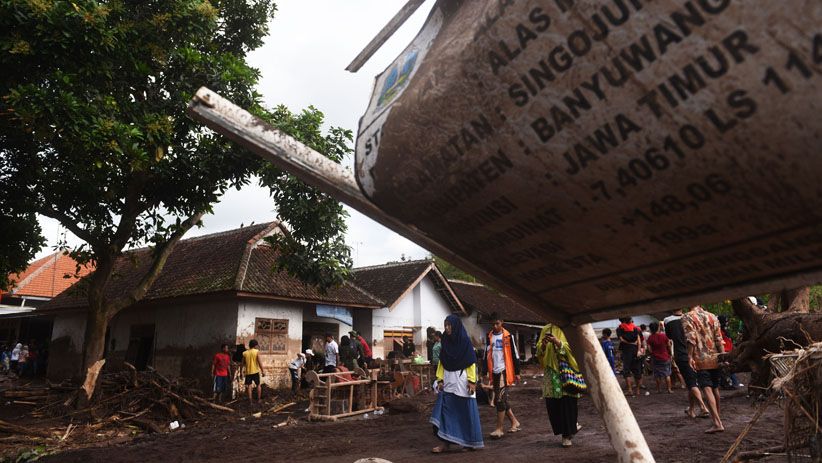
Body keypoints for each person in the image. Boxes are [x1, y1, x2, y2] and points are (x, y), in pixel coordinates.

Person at [430, 314, 484, 452]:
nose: (447, 328)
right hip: (448, 380)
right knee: (446, 411)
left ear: (456, 326)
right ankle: (445, 443)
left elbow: (471, 362)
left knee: (465, 412)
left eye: (449, 325)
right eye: (445, 325)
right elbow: (442, 362)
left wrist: (472, 382)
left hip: (463, 381)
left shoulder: (465, 342)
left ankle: (469, 442)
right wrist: (440, 379)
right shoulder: (445, 342)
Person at [537, 323, 582, 448]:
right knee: (553, 404)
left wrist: (558, 342)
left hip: (567, 370)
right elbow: (538, 351)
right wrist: (544, 345)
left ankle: (567, 435)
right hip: (551, 372)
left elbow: (576, 348)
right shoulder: (545, 329)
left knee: (568, 402)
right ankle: (569, 427)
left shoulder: (570, 328)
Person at [683, 305, 725, 434]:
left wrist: (689, 356)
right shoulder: (712, 316)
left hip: (700, 357)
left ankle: (717, 422)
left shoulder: (688, 317)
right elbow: (719, 338)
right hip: (715, 356)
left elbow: (691, 338)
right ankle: (717, 418)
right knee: (715, 387)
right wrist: (723, 355)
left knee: (707, 388)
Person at [665, 309, 709, 417]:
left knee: (691, 383)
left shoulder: (668, 320)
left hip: (682, 355)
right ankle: (692, 409)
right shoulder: (690, 318)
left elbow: (669, 336)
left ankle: (703, 407)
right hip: (697, 353)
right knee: (691, 381)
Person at [485, 314, 521, 438]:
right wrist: (485, 371)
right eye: (493, 324)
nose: (495, 326)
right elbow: (487, 354)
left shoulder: (508, 336)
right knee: (502, 399)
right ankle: (514, 422)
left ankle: (499, 428)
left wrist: (517, 372)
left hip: (504, 371)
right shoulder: (489, 336)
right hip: (494, 371)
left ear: (502, 322)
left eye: (497, 323)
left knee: (499, 400)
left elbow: (515, 354)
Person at [616, 317, 643, 396]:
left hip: (626, 350)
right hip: (635, 350)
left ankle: (630, 390)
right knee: (637, 370)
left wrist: (629, 343)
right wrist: (638, 350)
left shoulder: (620, 328)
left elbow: (621, 339)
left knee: (626, 370)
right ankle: (637, 390)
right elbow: (639, 341)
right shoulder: (635, 328)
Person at [717, 315, 743, 388]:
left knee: (728, 367)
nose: (727, 322)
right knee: (727, 367)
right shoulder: (720, 331)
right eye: (726, 321)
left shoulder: (725, 331)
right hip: (724, 351)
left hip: (729, 351)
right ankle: (733, 383)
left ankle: (732, 383)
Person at [646, 322, 672, 393]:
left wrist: (652, 353)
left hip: (655, 358)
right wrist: (670, 353)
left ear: (650, 329)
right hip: (665, 357)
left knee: (657, 374)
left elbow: (649, 348)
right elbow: (669, 345)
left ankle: (658, 389)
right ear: (658, 327)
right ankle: (669, 389)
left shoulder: (650, 338)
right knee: (667, 374)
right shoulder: (663, 336)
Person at [242, 339, 265, 404]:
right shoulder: (256, 351)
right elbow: (259, 362)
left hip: (248, 372)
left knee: (249, 386)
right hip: (255, 372)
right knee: (258, 385)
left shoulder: (245, 353)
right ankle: (259, 399)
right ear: (255, 345)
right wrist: (263, 371)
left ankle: (250, 401)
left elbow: (242, 363)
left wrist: (241, 372)